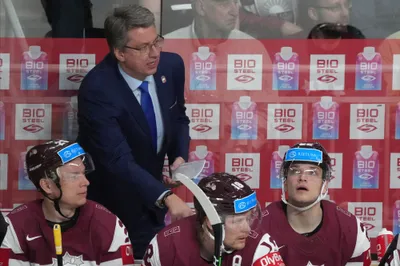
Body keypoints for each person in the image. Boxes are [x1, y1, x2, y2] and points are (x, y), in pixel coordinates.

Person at [77, 5, 193, 259]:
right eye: (142, 48)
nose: (154, 54)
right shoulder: (98, 89)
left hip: (151, 201)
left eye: (156, 42)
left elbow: (178, 117)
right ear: (119, 52)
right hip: (112, 204)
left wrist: (179, 157)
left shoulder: (171, 66)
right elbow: (117, 159)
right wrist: (165, 197)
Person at [0, 140, 135, 265]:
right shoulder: (16, 226)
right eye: (74, 176)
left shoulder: (107, 223)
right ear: (47, 186)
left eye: (83, 174)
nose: (86, 182)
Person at [261, 142, 371, 265]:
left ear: (325, 185)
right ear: (285, 182)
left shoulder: (351, 229)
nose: (302, 177)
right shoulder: (259, 226)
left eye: (312, 172)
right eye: (295, 171)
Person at [142, 173, 285, 266]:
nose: (247, 229)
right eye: (237, 221)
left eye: (249, 218)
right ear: (210, 221)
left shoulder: (262, 247)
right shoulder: (165, 245)